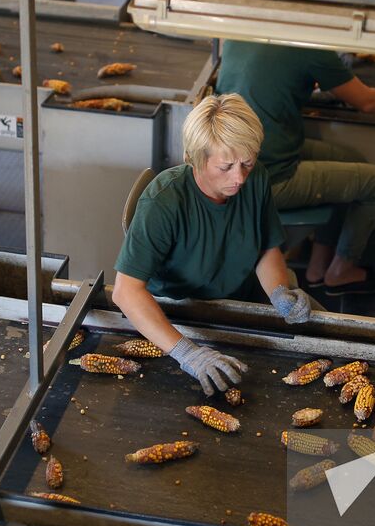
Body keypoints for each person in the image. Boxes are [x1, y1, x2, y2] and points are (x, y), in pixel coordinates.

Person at [215, 0, 375, 292]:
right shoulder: (307, 42)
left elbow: (266, 74)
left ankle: (318, 266)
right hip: (268, 174)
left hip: (236, 158)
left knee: (354, 162)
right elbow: (368, 101)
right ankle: (340, 271)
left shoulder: (248, 21)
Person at [113, 94, 314, 396]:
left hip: (238, 302)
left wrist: (278, 292)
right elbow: (126, 291)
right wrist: (186, 353)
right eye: (226, 167)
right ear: (194, 158)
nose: (240, 178)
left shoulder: (256, 178)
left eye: (247, 163)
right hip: (180, 314)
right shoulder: (163, 202)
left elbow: (266, 248)